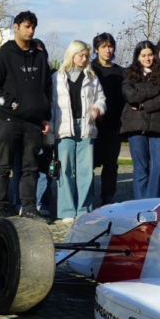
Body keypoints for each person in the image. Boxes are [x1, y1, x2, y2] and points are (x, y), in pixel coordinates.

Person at [0, 10, 51, 224]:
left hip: (33, 123)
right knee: (4, 165)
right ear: (16, 27)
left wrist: (45, 116)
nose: (30, 31)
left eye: (33, 27)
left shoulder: (40, 56)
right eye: (26, 26)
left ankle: (29, 207)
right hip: (9, 121)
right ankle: (0, 207)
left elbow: (46, 88)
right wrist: (11, 104)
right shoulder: (5, 54)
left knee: (30, 167)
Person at [51, 40, 106, 223]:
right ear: (72, 55)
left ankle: (84, 209)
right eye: (81, 54)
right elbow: (52, 105)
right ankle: (66, 210)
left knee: (85, 170)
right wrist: (50, 130)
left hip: (86, 127)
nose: (84, 58)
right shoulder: (58, 76)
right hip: (63, 127)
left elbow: (101, 98)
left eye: (86, 55)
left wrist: (98, 108)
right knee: (64, 170)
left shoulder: (91, 76)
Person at [119, 40, 160, 199]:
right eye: (143, 55)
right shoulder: (129, 73)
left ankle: (153, 201)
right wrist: (156, 92)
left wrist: (145, 105)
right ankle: (140, 203)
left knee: (159, 166)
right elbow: (131, 96)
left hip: (157, 125)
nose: (147, 59)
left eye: (150, 55)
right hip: (135, 125)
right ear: (137, 57)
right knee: (141, 168)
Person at [91, 33, 125, 205]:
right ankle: (87, 197)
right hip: (92, 124)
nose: (107, 50)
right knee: (89, 163)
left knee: (111, 164)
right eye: (103, 46)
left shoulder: (121, 72)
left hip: (113, 125)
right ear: (96, 49)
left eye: (110, 46)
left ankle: (108, 196)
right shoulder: (90, 70)